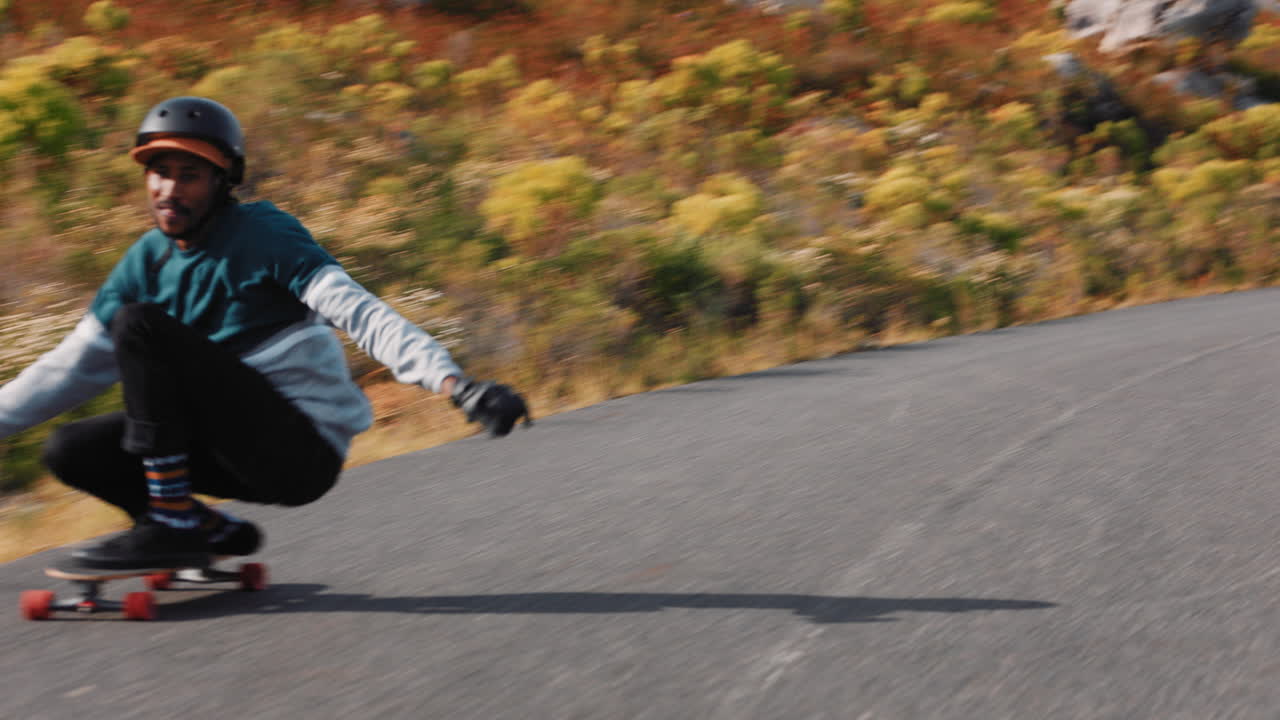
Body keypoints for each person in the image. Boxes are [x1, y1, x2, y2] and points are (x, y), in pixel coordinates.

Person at [0, 96, 530, 571]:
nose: (169, 189)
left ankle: (171, 525)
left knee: (138, 326)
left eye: (189, 175)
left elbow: (360, 314)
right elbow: (66, 370)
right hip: (223, 449)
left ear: (224, 179)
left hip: (298, 450)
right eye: (159, 172)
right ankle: (206, 527)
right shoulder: (145, 262)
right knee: (69, 448)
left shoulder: (264, 234)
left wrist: (456, 385)